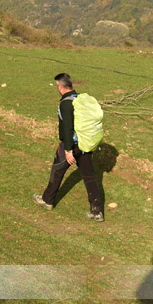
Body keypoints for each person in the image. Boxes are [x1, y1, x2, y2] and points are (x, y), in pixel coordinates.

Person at [33, 72, 104, 221]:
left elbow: (67, 128)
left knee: (57, 170)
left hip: (71, 144)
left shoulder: (66, 103)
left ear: (60, 87)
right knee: (89, 176)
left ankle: (47, 201)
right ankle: (97, 211)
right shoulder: (80, 99)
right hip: (85, 143)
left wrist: (68, 150)